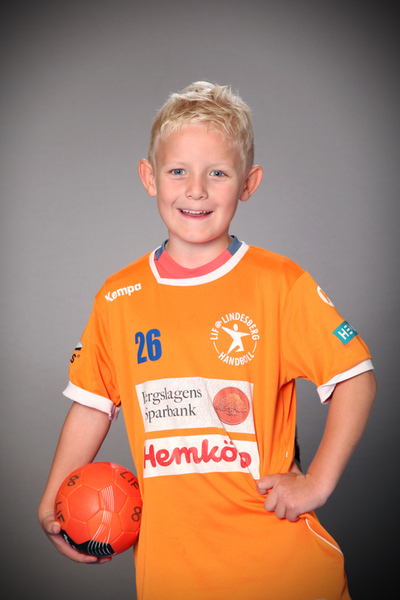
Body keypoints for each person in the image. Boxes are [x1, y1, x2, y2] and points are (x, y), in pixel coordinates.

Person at [38, 81, 376, 599]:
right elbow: (92, 404)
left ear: (248, 183)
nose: (196, 190)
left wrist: (316, 483)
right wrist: (54, 498)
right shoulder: (118, 297)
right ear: (149, 177)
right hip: (173, 575)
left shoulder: (279, 284)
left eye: (217, 173)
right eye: (178, 171)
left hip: (283, 573)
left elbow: (356, 377)